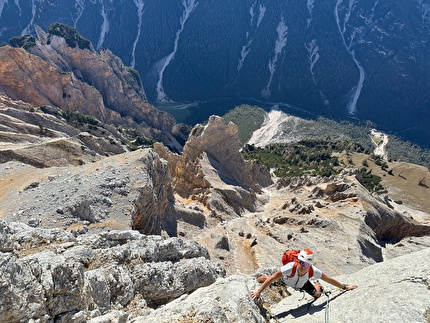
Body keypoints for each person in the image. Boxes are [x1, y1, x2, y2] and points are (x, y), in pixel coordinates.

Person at [251, 249, 357, 300]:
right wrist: (258, 291)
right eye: (301, 262)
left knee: (317, 295)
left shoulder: (313, 271)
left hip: (303, 284)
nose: (302, 266)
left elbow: (328, 279)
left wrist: (345, 287)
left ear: (309, 265)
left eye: (306, 264)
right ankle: (257, 278)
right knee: (266, 279)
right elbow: (273, 277)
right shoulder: (290, 267)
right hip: (285, 280)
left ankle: (317, 285)